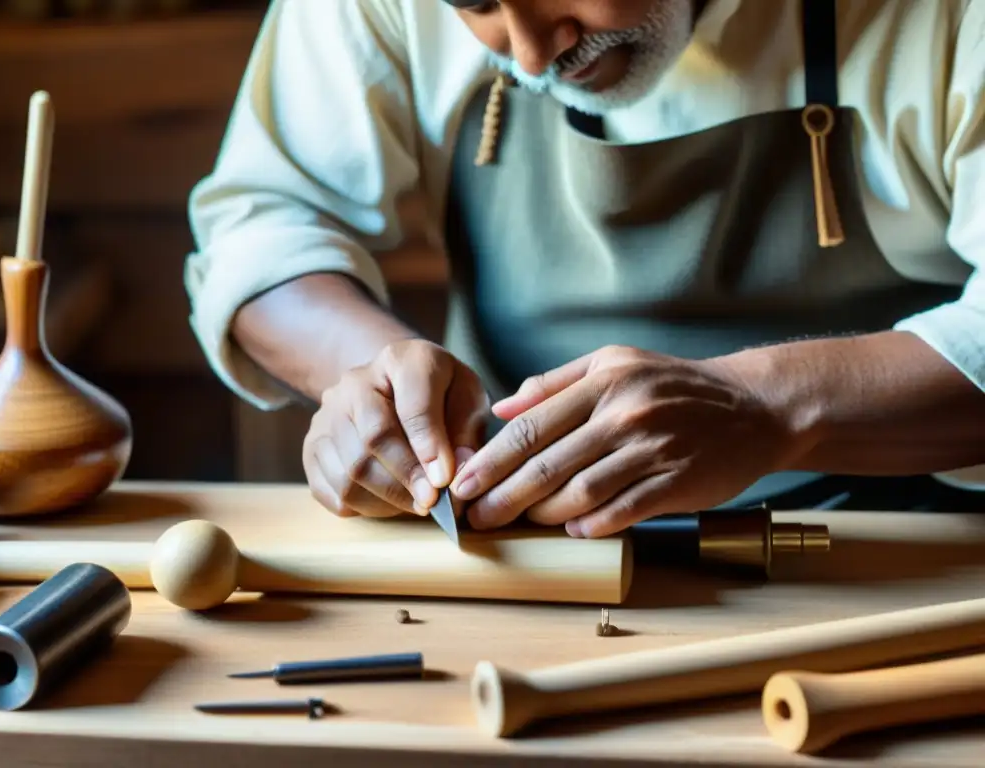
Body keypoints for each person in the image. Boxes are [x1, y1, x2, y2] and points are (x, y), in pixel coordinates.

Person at [185, 0, 985, 539]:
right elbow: (265, 224)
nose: (535, 52)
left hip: (894, 549)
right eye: (476, 6)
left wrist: (765, 409)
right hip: (525, 559)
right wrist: (368, 381)